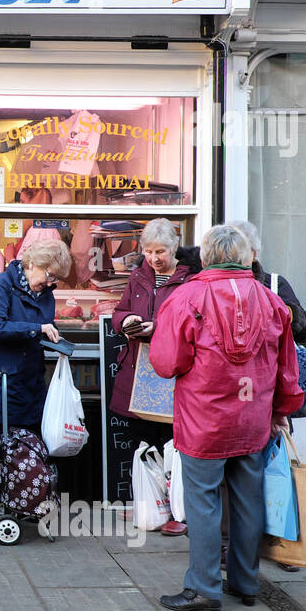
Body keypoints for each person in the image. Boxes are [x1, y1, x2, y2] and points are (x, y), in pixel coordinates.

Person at [150, 224, 303, 611]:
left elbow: (167, 363)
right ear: (247, 255)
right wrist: (283, 410)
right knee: (248, 500)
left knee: (203, 502)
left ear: (204, 257)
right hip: (253, 418)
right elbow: (288, 367)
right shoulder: (271, 302)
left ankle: (203, 588)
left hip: (205, 418)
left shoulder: (186, 297)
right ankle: (245, 582)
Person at [0, 238, 72, 530]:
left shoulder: (45, 293)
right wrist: (36, 328)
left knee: (27, 447)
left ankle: (21, 502)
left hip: (27, 382)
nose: (50, 283)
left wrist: (54, 340)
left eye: (56, 279)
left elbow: (36, 332)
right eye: (49, 275)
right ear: (32, 264)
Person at [108, 218, 195, 537]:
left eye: (160, 251)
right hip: (137, 371)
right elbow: (119, 311)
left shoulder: (190, 281)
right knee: (142, 441)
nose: (154, 258)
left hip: (172, 374)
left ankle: (177, 511)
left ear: (174, 248)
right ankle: (151, 504)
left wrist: (159, 328)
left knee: (172, 443)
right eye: (148, 252)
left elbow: (194, 323)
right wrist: (127, 319)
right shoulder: (138, 278)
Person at [226, 220, 306, 346]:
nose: (236, 259)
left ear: (254, 254)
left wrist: (289, 314)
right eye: (231, 251)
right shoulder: (208, 288)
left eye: (242, 251)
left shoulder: (274, 284)